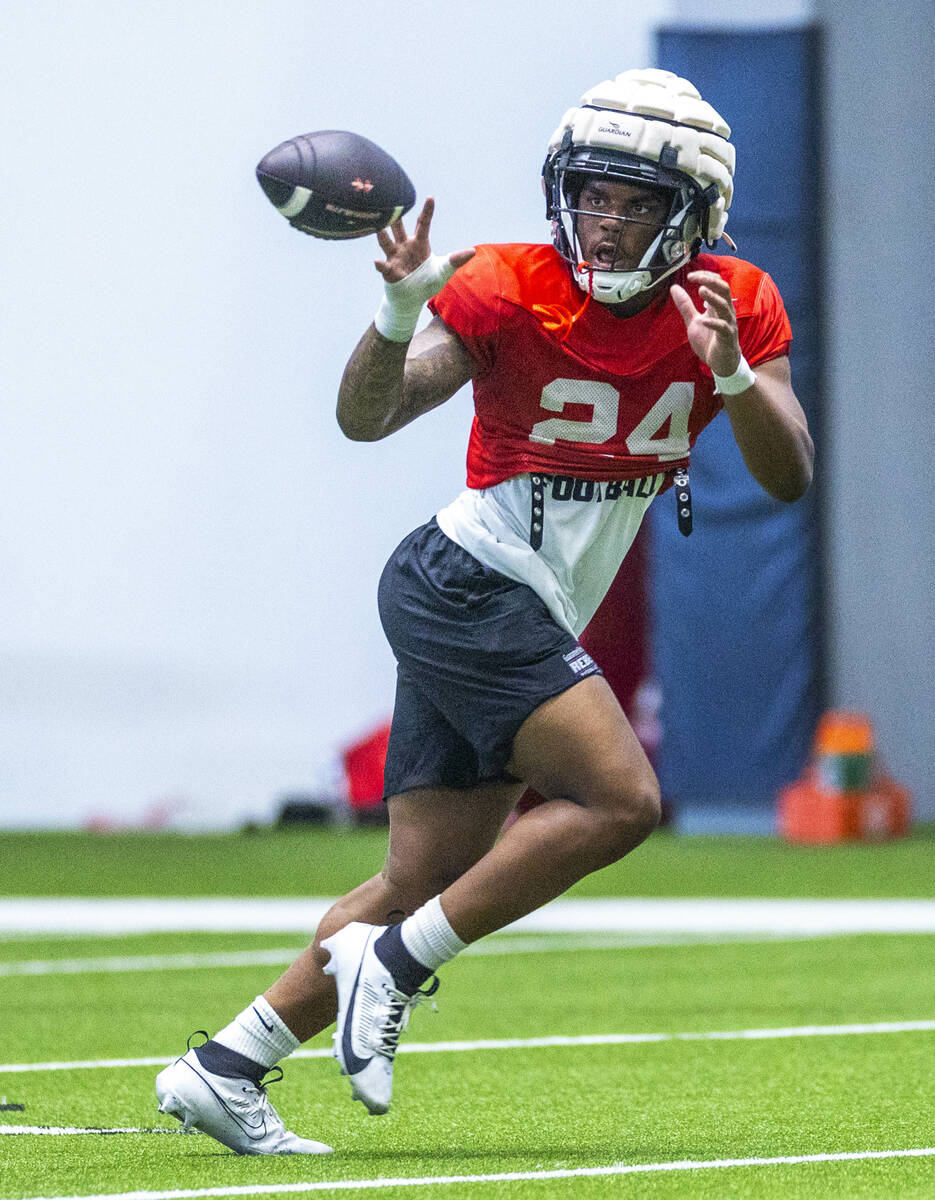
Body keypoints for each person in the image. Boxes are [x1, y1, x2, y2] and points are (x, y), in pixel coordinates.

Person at [155, 67, 813, 1155]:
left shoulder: (730, 304)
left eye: (633, 202)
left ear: (691, 213)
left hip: (521, 600)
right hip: (464, 580)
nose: (602, 222)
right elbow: (367, 417)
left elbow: (787, 478)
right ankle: (400, 961)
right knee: (618, 801)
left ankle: (226, 1067)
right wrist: (394, 310)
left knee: (417, 879)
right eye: (590, 195)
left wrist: (736, 380)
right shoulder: (506, 283)